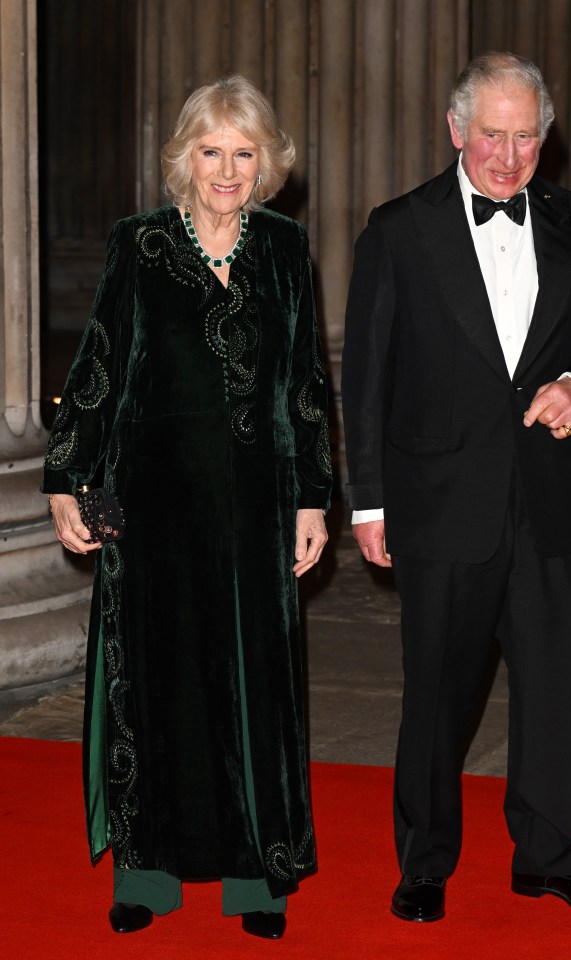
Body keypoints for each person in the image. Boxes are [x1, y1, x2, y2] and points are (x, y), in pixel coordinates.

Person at [342, 51, 571, 921]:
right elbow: (366, 374)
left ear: (546, 137)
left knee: (550, 689)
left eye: (527, 139)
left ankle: (547, 854)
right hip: (440, 501)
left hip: (548, 500)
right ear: (456, 129)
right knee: (438, 691)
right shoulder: (398, 229)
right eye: (492, 137)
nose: (508, 159)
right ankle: (424, 862)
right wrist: (369, 500)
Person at [42, 75, 331, 940]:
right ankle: (149, 872)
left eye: (245, 153)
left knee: (251, 689)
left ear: (267, 162)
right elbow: (98, 366)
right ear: (185, 157)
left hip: (256, 505)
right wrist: (66, 476)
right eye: (212, 150)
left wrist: (314, 499)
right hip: (152, 505)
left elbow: (306, 385)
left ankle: (254, 880)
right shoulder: (138, 246)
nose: (228, 170)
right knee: (156, 686)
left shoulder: (284, 248)